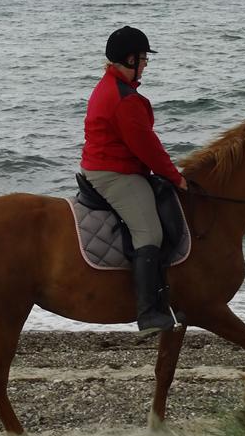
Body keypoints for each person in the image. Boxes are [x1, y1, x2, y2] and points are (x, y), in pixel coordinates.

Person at [80, 26, 188, 336]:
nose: (146, 64)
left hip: (108, 164)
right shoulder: (123, 99)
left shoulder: (112, 86)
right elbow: (147, 147)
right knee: (149, 232)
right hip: (115, 173)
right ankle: (147, 313)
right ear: (130, 59)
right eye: (143, 59)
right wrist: (175, 178)